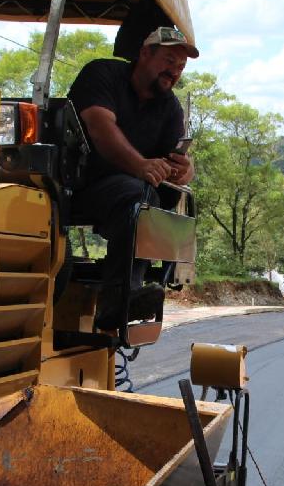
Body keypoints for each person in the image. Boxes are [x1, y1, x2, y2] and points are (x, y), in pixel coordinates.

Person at [67, 26, 197, 329]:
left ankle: (135, 289)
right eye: (169, 61)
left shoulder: (170, 107)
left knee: (154, 197)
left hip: (128, 193)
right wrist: (140, 165)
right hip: (77, 184)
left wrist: (184, 170)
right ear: (144, 53)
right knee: (141, 196)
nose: (174, 72)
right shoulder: (102, 74)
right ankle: (118, 299)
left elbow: (175, 159)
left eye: (180, 67)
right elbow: (99, 127)